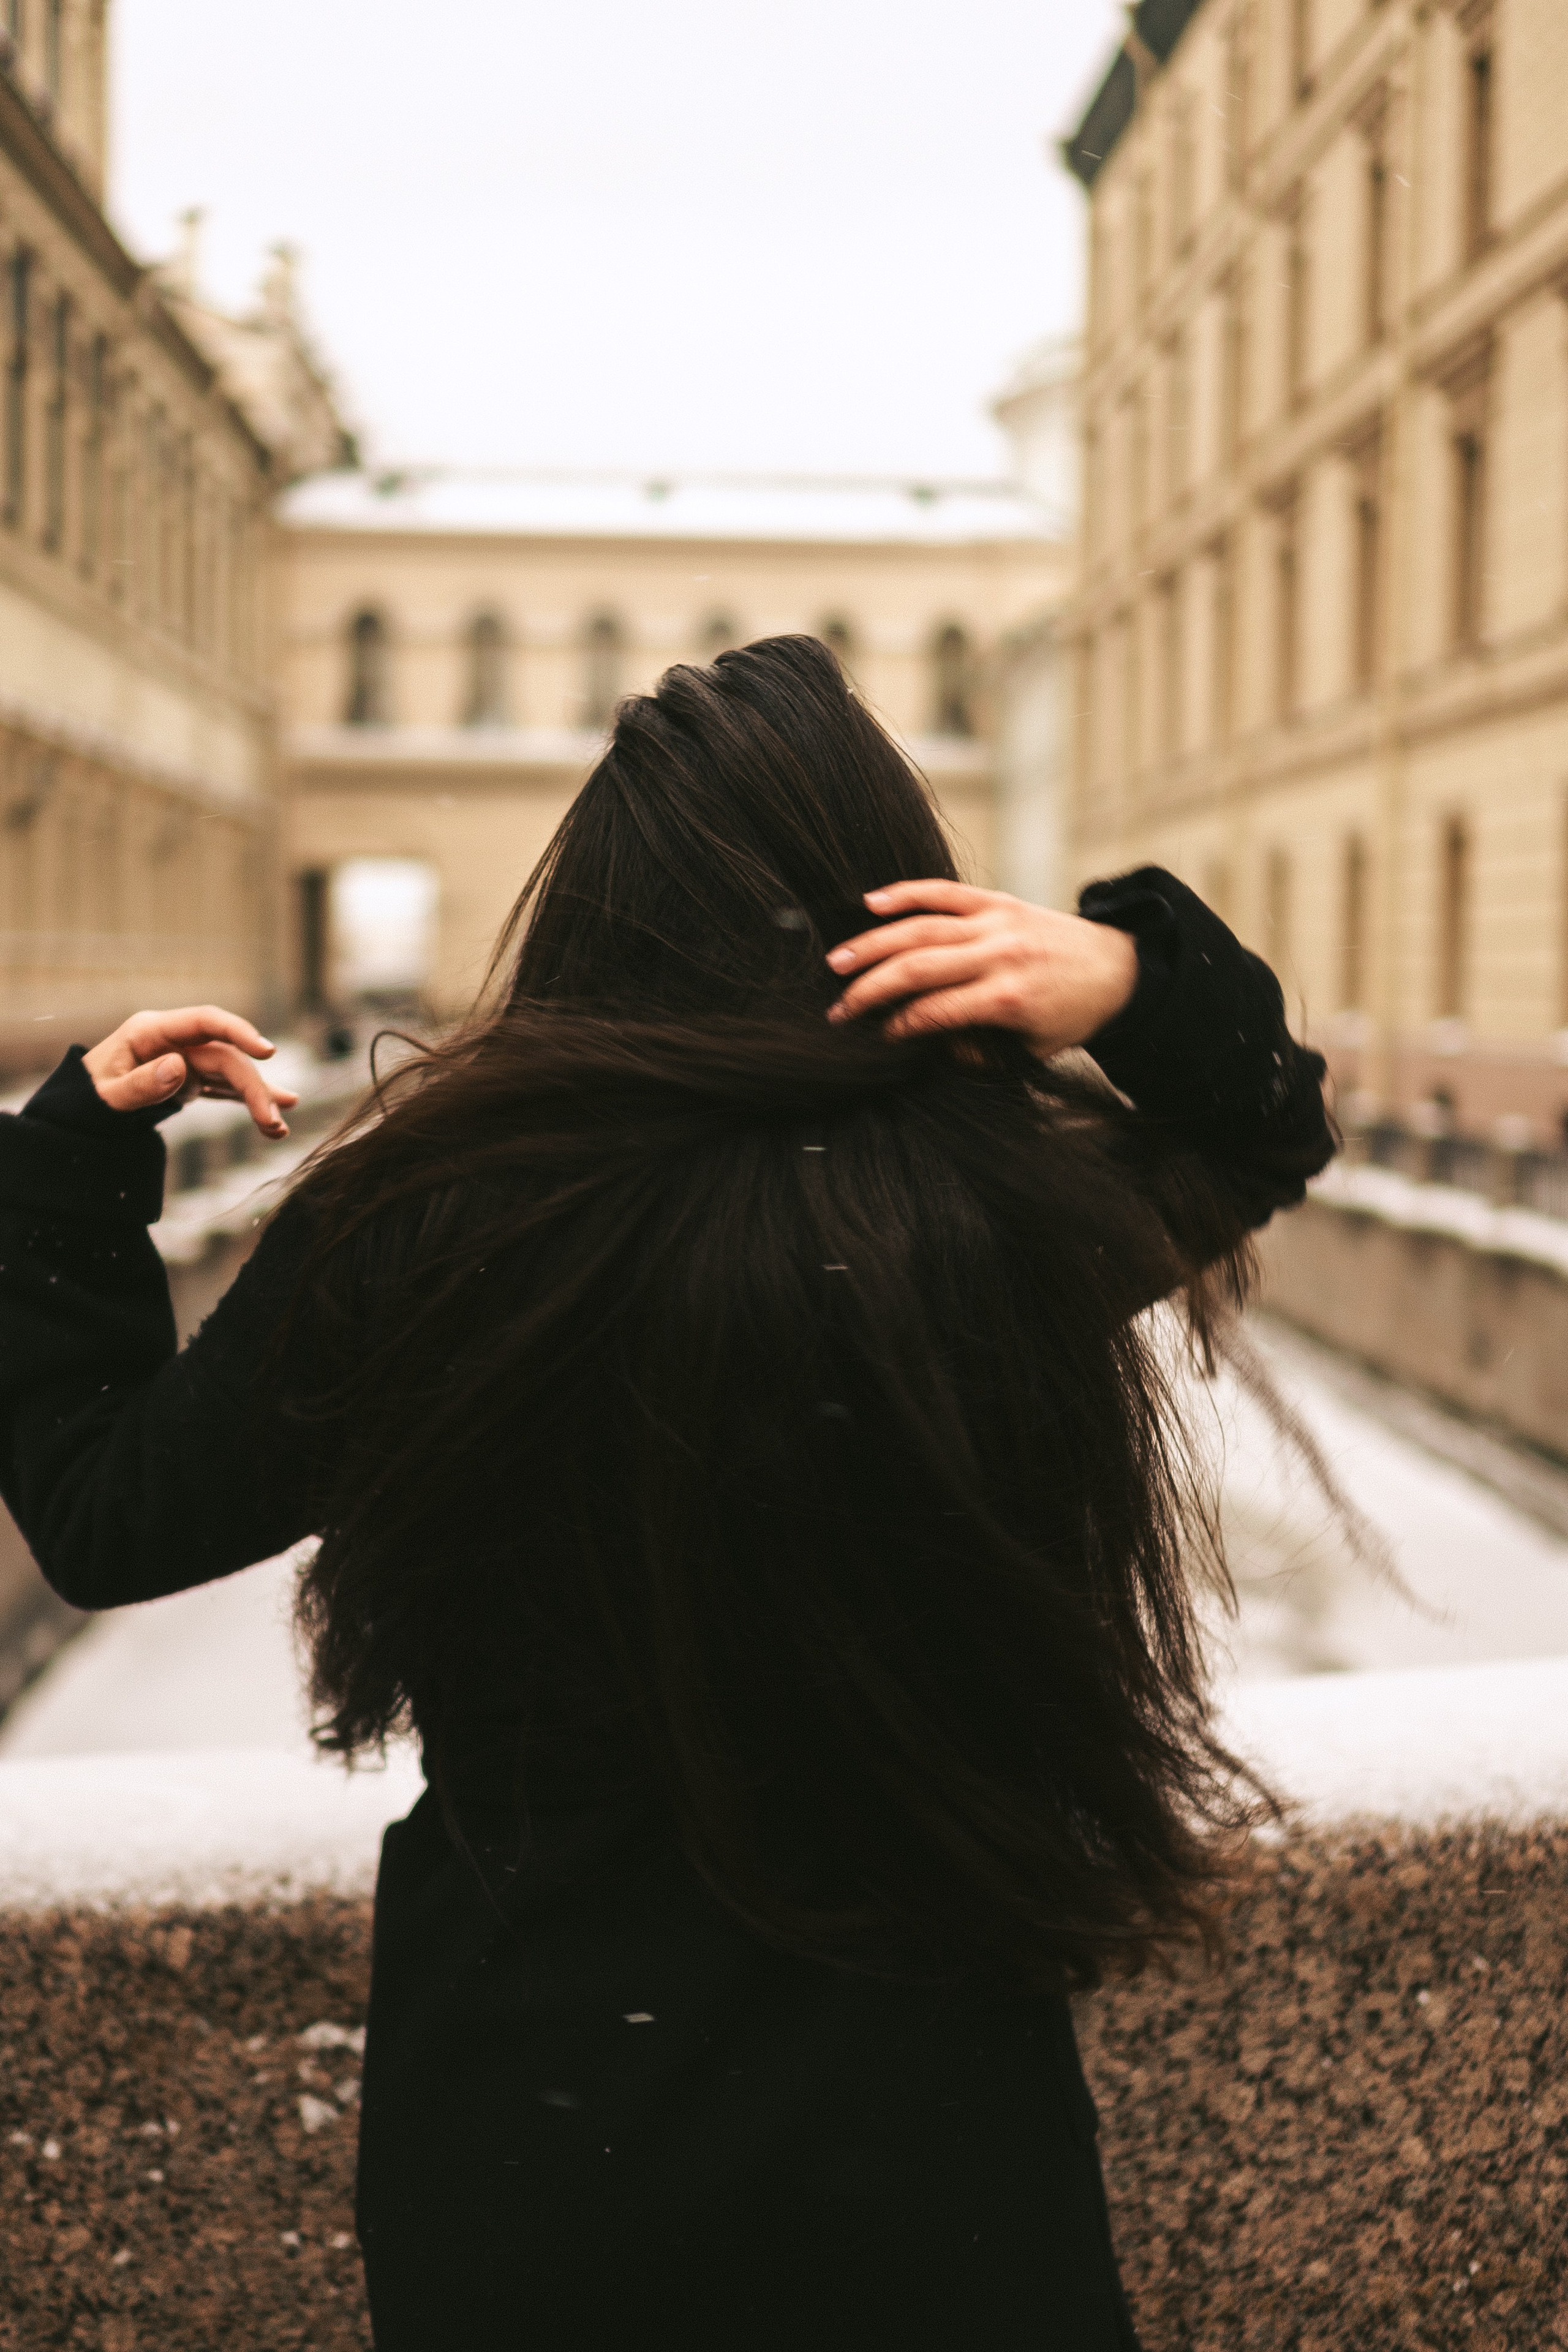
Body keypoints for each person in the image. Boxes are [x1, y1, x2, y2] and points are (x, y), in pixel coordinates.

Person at [0, 635, 1332, 2349]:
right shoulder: (976, 1227)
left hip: (539, 2132)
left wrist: (61, 1178)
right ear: (891, 904)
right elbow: (1262, 1134)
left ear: (593, 912)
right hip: (928, 2135)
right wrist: (1139, 981)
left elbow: (110, 1516)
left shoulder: (429, 1224)